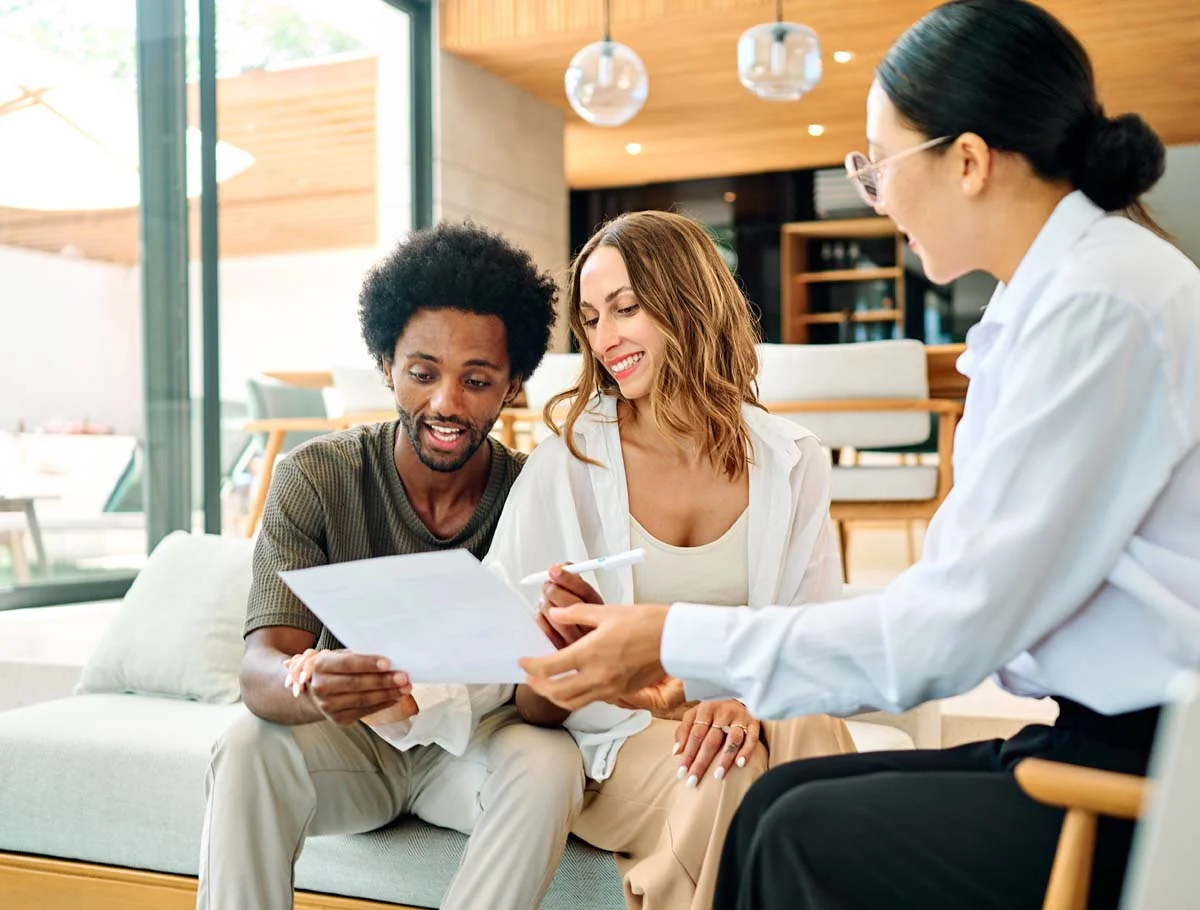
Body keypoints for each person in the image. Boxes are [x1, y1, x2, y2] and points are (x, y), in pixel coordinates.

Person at [516, 1, 1200, 908]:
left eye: (878, 164)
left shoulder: (1100, 307)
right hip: (1096, 736)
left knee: (797, 825)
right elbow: (952, 604)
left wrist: (674, 639)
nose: (874, 193)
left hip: (1150, 768)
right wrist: (690, 660)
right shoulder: (1056, 300)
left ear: (967, 159)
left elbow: (948, 633)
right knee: (786, 802)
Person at [196, 222, 583, 910]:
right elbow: (262, 669)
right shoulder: (317, 477)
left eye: (477, 380)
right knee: (250, 740)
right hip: (353, 744)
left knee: (551, 761)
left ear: (513, 385)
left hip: (473, 754)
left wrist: (565, 658)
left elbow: (539, 711)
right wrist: (309, 690)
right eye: (422, 373)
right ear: (386, 365)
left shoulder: (537, 494)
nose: (445, 404)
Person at [485, 210, 855, 910]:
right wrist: (556, 647)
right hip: (621, 741)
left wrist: (742, 699)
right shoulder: (567, 465)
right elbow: (521, 689)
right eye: (592, 319)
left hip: (760, 711)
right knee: (729, 766)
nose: (606, 338)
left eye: (626, 309)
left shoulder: (792, 460)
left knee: (802, 725)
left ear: (689, 302)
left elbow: (813, 643)